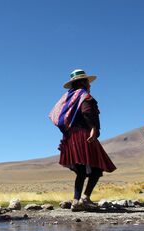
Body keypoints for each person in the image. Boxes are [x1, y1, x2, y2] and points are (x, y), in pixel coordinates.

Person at [49, 69, 116, 211]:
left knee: (81, 170)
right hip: (84, 135)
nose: (89, 84)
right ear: (83, 82)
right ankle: (85, 198)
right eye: (87, 82)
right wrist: (93, 128)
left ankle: (76, 200)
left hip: (70, 137)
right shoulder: (85, 96)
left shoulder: (68, 98)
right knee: (97, 168)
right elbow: (86, 112)